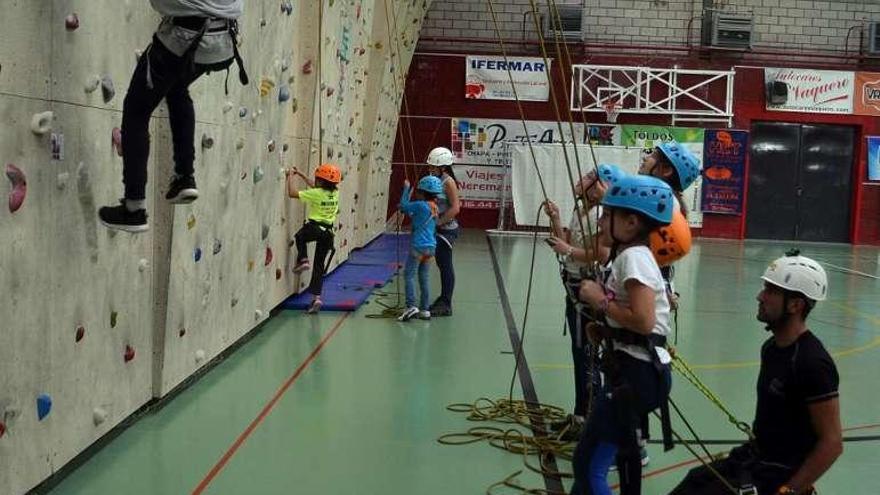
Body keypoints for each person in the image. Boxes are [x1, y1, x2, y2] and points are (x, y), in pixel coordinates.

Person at [670, 251, 841, 495]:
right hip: (755, 458)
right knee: (692, 483)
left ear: (796, 304)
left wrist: (790, 490)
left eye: (771, 291)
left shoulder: (811, 362)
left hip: (779, 473)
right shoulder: (771, 348)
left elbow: (832, 443)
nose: (760, 296)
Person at [99, 0, 248, 232]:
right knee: (177, 89)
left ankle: (134, 208)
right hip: (223, 41)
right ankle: (184, 177)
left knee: (137, 112)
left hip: (183, 37)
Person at [571, 174, 675, 495]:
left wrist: (597, 299)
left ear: (630, 223)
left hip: (638, 373)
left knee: (589, 468)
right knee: (589, 462)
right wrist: (606, 328)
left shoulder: (633, 258)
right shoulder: (631, 255)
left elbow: (643, 321)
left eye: (608, 215)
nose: (601, 222)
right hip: (635, 369)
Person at [541, 164, 619, 439]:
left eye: (589, 177)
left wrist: (569, 250)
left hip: (586, 290)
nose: (581, 179)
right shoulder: (581, 210)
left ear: (601, 188)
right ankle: (581, 413)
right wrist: (556, 218)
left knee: (586, 357)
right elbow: (567, 244)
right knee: (579, 355)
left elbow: (602, 252)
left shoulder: (600, 214)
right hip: (573, 286)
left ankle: (589, 419)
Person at [286, 164, 342, 314]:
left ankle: (303, 259)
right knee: (319, 265)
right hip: (329, 233)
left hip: (315, 228)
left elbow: (292, 193)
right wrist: (302, 174)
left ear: (321, 181)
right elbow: (315, 186)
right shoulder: (335, 193)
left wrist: (289, 177)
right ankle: (317, 298)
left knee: (300, 237)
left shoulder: (317, 194)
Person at [397, 176, 442, 322]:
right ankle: (424, 309)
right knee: (424, 277)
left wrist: (406, 188)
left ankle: (410, 306)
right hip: (431, 247)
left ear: (423, 192)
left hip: (418, 246)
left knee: (409, 275)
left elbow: (403, 206)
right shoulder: (435, 207)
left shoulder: (420, 205)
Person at [424, 147, 460, 317]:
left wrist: (439, 222)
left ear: (443, 168)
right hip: (434, 229)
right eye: (430, 167)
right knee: (440, 264)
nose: (430, 170)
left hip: (446, 230)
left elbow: (455, 208)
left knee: (445, 265)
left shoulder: (448, 182)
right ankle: (442, 299)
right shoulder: (433, 180)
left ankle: (446, 303)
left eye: (433, 167)